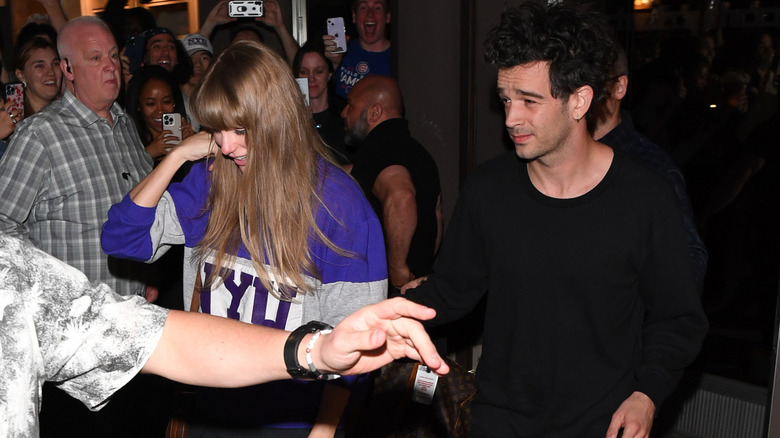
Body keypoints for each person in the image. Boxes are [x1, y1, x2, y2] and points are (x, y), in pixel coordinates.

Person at [402, 4, 708, 437]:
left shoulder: (645, 198)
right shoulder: (489, 190)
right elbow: (453, 290)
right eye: (506, 99)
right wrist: (383, 314)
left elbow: (677, 318)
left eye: (529, 101)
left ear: (579, 100)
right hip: (498, 420)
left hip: (601, 425)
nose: (510, 118)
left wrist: (648, 395)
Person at [102, 40, 387, 436]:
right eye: (217, 129)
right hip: (210, 412)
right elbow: (122, 238)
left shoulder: (339, 203)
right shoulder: (211, 179)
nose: (227, 144)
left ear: (275, 119)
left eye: (240, 129)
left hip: (292, 422)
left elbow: (356, 338)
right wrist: (177, 157)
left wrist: (323, 430)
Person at [0, 230, 449, 438]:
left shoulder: (14, 270)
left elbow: (165, 339)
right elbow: (125, 235)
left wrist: (319, 351)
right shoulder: (209, 186)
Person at [0, 16, 153, 297]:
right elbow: (3, 222)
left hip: (135, 313)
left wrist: (145, 279)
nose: (110, 66)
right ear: (67, 68)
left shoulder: (126, 125)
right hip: (74, 325)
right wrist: (49, 288)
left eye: (112, 55)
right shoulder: (40, 134)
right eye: (95, 58)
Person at [592, 44, 708, 292]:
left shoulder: (651, 167)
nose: (579, 93)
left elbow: (687, 263)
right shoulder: (558, 156)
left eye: (592, 82)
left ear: (619, 87)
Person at [344, 75, 442, 292]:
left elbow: (401, 197)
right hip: (422, 286)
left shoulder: (377, 151)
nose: (344, 113)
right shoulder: (419, 154)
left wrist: (397, 267)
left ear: (374, 112)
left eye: (350, 105)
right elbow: (435, 216)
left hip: (394, 291)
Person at [293, 41, 349, 165]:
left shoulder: (346, 112)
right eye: (304, 72)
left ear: (329, 74)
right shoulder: (290, 116)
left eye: (318, 71)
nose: (311, 78)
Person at [323, 0, 391, 99]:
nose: (370, 14)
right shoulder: (341, 51)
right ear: (354, 16)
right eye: (363, 7)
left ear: (388, 16)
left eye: (377, 8)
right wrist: (332, 64)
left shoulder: (398, 60)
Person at [125, 65, 194, 160]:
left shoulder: (187, 137)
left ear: (174, 102)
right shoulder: (127, 143)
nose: (160, 110)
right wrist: (149, 153)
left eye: (166, 102)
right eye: (151, 103)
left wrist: (193, 143)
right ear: (138, 105)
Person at [12, 37, 62, 118]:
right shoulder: (12, 119)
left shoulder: (68, 112)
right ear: (21, 75)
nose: (51, 72)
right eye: (40, 66)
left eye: (55, 64)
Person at [180, 32, 214, 132]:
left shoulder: (218, 101)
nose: (197, 64)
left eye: (204, 58)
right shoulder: (169, 100)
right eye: (190, 58)